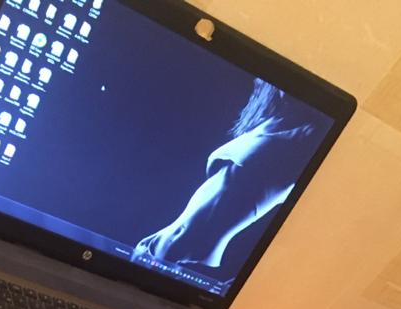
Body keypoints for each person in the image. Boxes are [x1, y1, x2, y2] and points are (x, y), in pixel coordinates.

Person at [132, 80, 323, 281]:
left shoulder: (307, 143)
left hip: (187, 263)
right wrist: (158, 239)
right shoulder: (267, 121)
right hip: (157, 247)